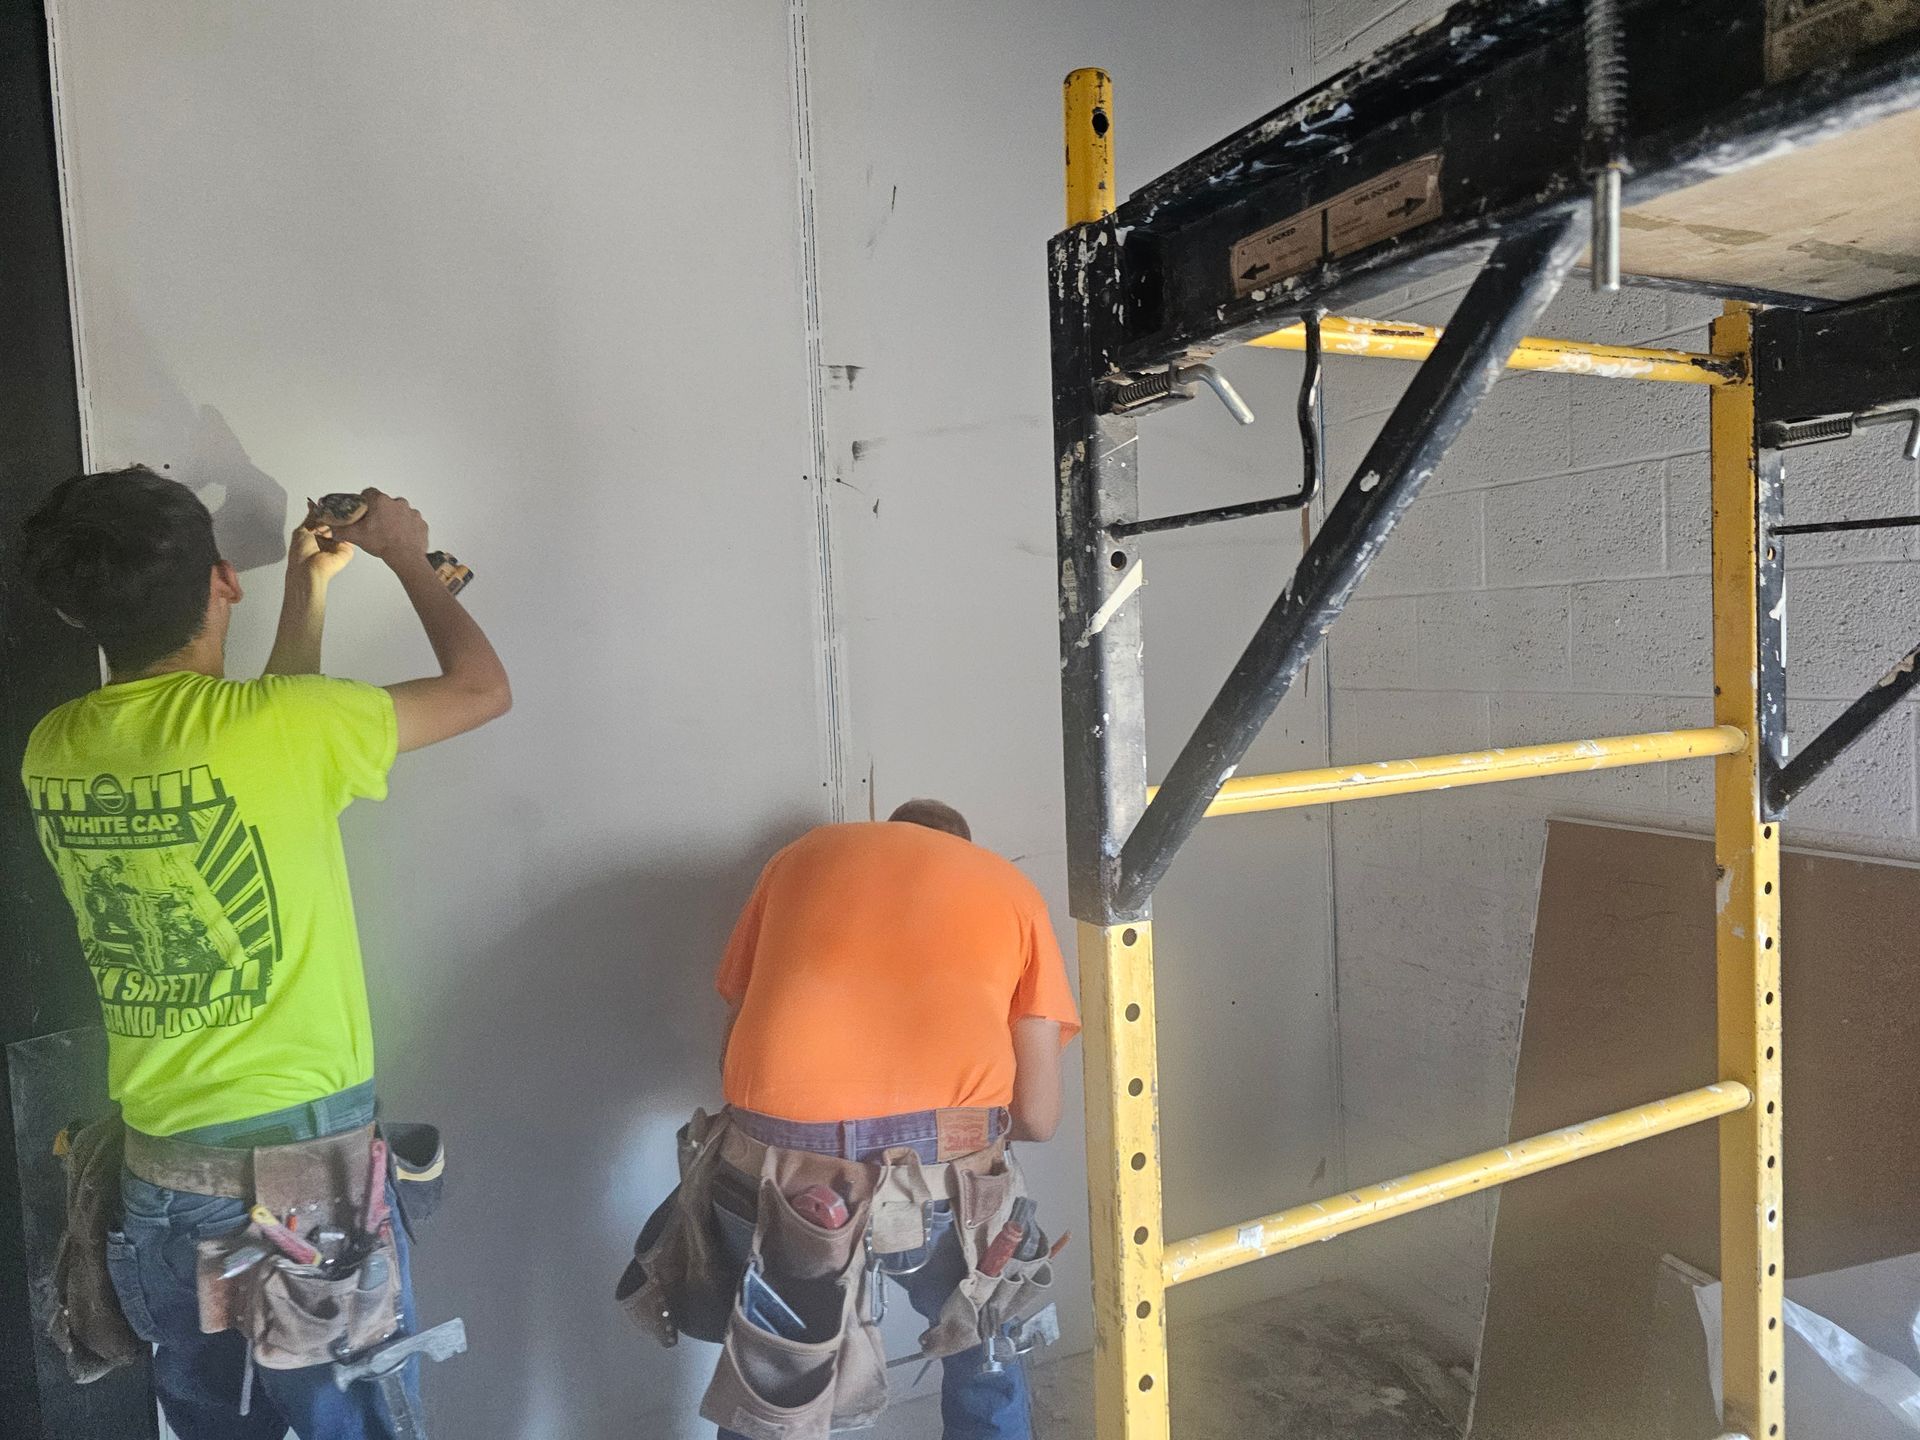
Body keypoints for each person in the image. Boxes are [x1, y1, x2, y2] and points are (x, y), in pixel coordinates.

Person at [18, 467, 509, 1440]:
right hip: (305, 1193)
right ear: (219, 582)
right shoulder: (278, 732)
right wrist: (408, 557)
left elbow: (268, 752)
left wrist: (309, 589)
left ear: (77, 612)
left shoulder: (55, 749)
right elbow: (481, 690)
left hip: (159, 1182)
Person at [711, 799, 1080, 1440]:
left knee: (777, 1369)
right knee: (982, 1336)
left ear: (886, 834)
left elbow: (731, 1049)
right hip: (940, 1179)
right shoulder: (1010, 889)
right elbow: (1038, 1118)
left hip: (781, 1167)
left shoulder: (796, 861)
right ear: (966, 847)